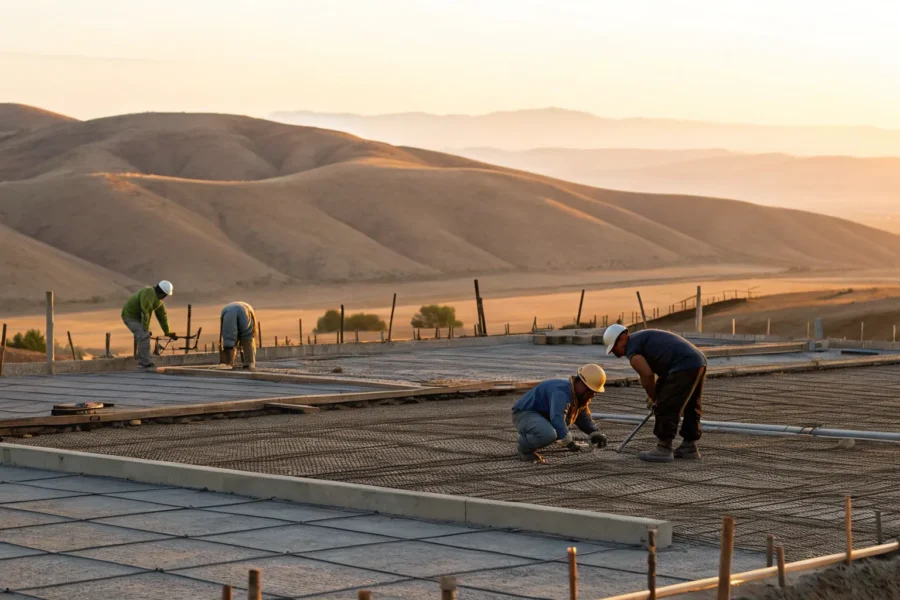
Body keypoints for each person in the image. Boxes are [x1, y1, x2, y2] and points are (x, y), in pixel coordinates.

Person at [603, 324, 707, 462]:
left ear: (622, 338)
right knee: (691, 404)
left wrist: (654, 398)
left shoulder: (632, 350)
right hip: (698, 361)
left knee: (666, 404)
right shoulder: (640, 339)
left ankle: (664, 448)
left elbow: (647, 375)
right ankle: (689, 446)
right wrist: (656, 394)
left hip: (682, 364)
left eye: (614, 348)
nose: (615, 353)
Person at [511, 364, 608, 463]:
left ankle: (535, 435)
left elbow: (582, 415)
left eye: (594, 392)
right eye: (590, 391)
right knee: (549, 434)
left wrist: (594, 432)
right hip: (524, 414)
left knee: (560, 429)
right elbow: (557, 418)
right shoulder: (561, 392)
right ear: (580, 382)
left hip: (542, 415)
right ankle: (524, 448)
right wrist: (569, 442)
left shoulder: (578, 395)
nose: (591, 395)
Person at [121, 281, 176, 369]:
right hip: (130, 316)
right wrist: (145, 328)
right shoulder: (149, 292)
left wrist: (167, 332)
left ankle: (142, 358)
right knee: (143, 335)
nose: (165, 297)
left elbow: (162, 317)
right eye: (166, 295)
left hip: (138, 319)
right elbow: (145, 310)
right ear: (162, 293)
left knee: (144, 335)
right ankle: (144, 363)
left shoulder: (159, 302)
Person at [219, 301, 257, 370]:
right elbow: (252, 333)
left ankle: (228, 363)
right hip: (246, 311)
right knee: (247, 338)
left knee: (229, 340)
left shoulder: (226, 309)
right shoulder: (248, 307)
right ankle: (249, 363)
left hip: (228, 312)